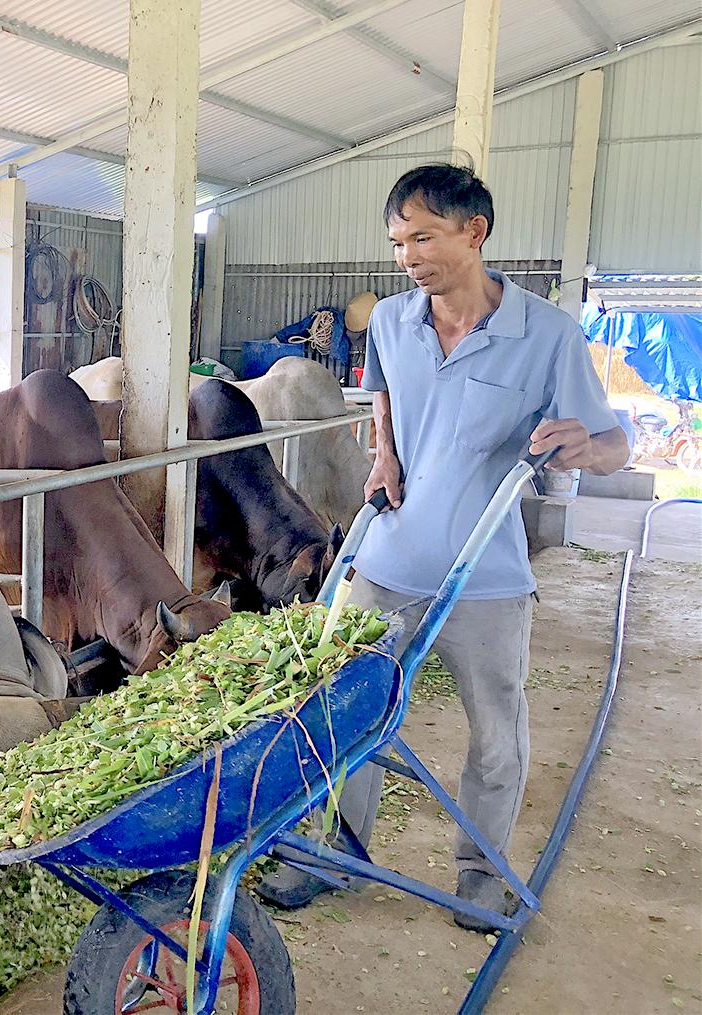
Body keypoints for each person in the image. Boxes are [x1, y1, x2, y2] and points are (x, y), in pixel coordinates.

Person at [257, 163, 629, 931]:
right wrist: (383, 449)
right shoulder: (392, 321)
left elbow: (616, 445)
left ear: (474, 232)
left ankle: (479, 873)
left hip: (484, 578)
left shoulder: (548, 334)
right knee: (342, 715)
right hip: (386, 561)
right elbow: (383, 385)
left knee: (495, 733)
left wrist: (578, 446)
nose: (407, 256)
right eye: (397, 242)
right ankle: (336, 853)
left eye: (422, 237)